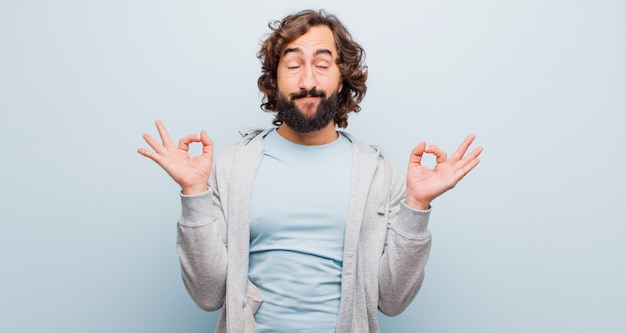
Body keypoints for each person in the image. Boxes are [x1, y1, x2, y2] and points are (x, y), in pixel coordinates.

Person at [138, 9, 482, 333]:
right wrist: (194, 193)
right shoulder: (230, 168)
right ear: (274, 80)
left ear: (342, 78)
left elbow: (392, 301)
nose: (307, 80)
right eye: (292, 65)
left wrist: (417, 206)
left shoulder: (378, 174)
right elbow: (208, 295)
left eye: (321, 64)